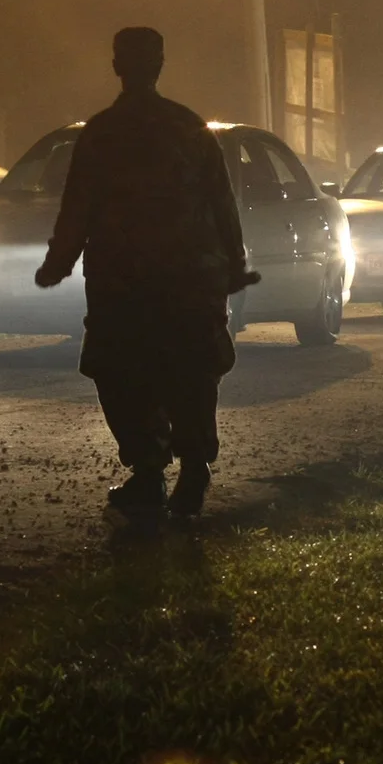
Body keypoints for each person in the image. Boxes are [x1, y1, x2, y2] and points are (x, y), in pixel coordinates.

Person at [35, 27, 255, 520]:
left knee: (122, 373)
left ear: (118, 66)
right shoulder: (187, 127)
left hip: (124, 281)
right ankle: (191, 472)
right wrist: (233, 266)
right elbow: (223, 203)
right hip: (187, 279)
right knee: (190, 373)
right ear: (160, 65)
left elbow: (78, 209)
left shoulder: (102, 133)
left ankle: (151, 470)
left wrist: (57, 264)